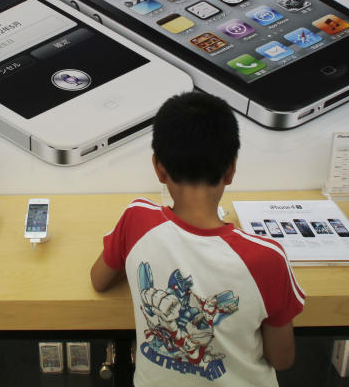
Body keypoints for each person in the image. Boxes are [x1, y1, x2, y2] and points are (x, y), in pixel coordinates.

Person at [90, 91, 304, 386]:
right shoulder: (267, 257)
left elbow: (99, 280)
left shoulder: (136, 219)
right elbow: (282, 359)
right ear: (231, 169)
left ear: (159, 168)